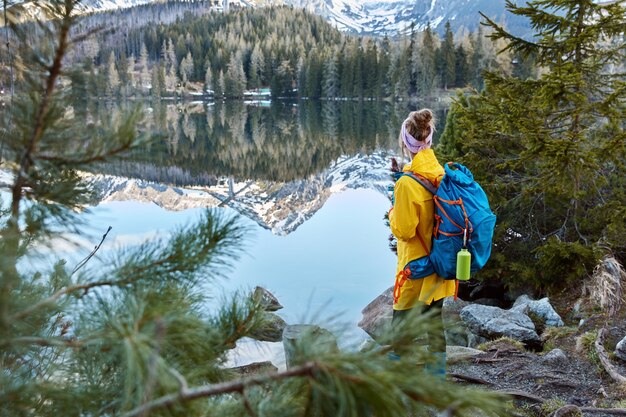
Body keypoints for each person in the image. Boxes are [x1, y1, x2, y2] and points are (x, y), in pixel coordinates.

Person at [387, 109, 455, 375]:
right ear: (428, 141)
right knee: (433, 320)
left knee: (400, 321)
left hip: (414, 266)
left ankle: (397, 378)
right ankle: (436, 376)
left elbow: (403, 231)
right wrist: (400, 178)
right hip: (439, 261)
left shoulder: (407, 185)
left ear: (406, 142)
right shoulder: (439, 172)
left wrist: (394, 208)